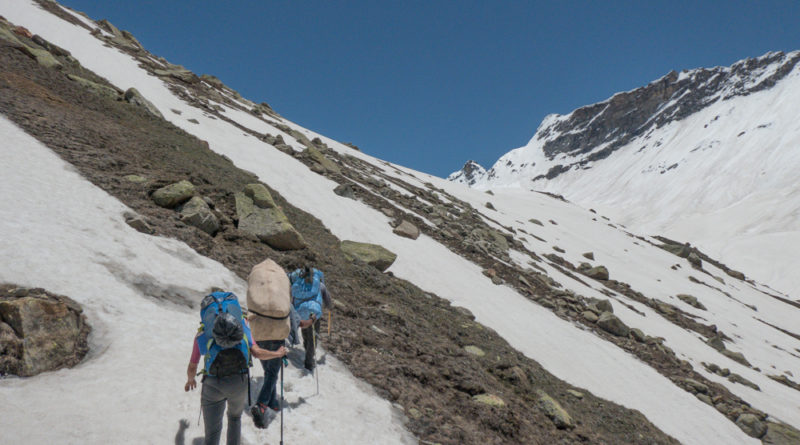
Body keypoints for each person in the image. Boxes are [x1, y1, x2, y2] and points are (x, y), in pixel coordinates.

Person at [184, 291, 286, 445]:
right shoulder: (243, 328)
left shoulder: (204, 335)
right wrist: (277, 353)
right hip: (239, 382)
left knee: (212, 432)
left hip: (213, 385)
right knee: (234, 419)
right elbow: (257, 353)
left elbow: (193, 365)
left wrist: (190, 380)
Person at [245, 259, 294, 429]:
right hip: (277, 333)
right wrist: (293, 336)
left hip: (259, 332)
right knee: (273, 372)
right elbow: (290, 311)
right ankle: (262, 404)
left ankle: (272, 402)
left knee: (269, 370)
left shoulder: (257, 275)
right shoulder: (283, 282)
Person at [288, 265, 332, 372]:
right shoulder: (320, 286)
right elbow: (328, 300)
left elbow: (293, 299)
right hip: (314, 314)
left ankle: (306, 348)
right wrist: (329, 307)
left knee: (305, 332)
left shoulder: (299, 285)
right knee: (313, 337)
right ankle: (308, 361)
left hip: (301, 313)